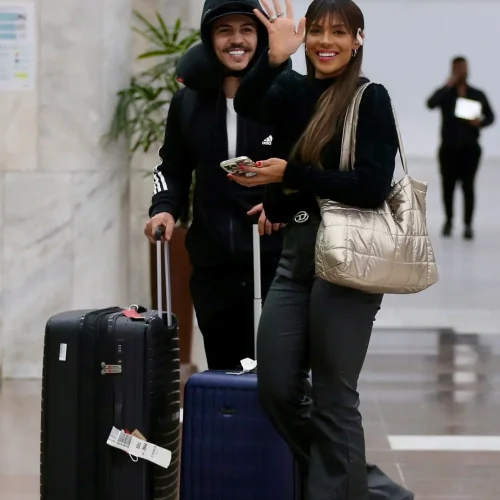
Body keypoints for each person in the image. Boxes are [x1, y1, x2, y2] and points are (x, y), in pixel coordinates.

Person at [231, 0, 415, 499]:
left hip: (349, 261)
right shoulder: (291, 88)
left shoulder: (368, 98)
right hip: (295, 255)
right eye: (317, 32)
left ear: (358, 39)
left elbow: (372, 185)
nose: (326, 42)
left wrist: (291, 175)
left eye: (339, 32)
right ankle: (372, 489)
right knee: (275, 385)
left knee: (335, 397)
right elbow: (248, 104)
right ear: (306, 37)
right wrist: (272, 59)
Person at [144, 0, 285, 371]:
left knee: (277, 376)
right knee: (226, 372)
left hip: (275, 263)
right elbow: (170, 167)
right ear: (209, 38)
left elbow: (309, 165)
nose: (236, 40)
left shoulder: (286, 95)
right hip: (213, 267)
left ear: (261, 37)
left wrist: (282, 201)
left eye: (247, 30)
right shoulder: (187, 103)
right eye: (225, 30)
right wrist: (163, 207)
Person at [427, 56, 494, 240]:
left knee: (468, 187)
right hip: (448, 149)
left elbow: (491, 116)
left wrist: (480, 122)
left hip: (470, 149)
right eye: (458, 69)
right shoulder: (446, 94)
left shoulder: (477, 94)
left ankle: (468, 225)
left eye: (464, 68)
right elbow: (430, 103)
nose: (462, 72)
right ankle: (448, 221)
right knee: (447, 187)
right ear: (452, 70)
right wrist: (448, 85)